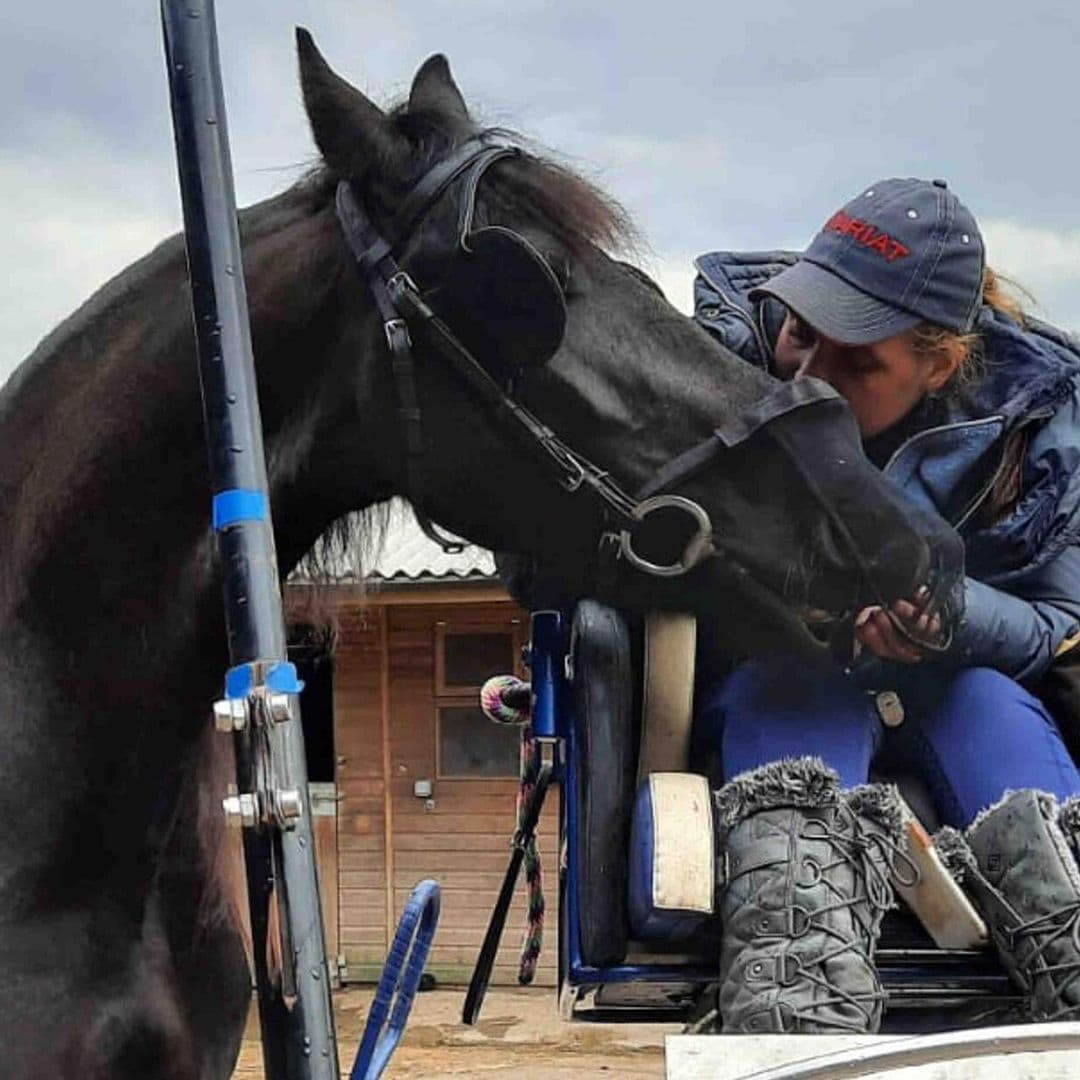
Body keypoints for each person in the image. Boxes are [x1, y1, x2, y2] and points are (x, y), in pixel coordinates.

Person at [691, 178, 1080, 1033]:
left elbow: (1061, 624)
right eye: (800, 332)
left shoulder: (1048, 425)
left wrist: (944, 613)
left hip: (961, 678)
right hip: (783, 667)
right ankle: (793, 1009)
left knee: (993, 711)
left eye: (858, 361)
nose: (808, 376)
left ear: (939, 365)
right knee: (795, 695)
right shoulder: (716, 364)